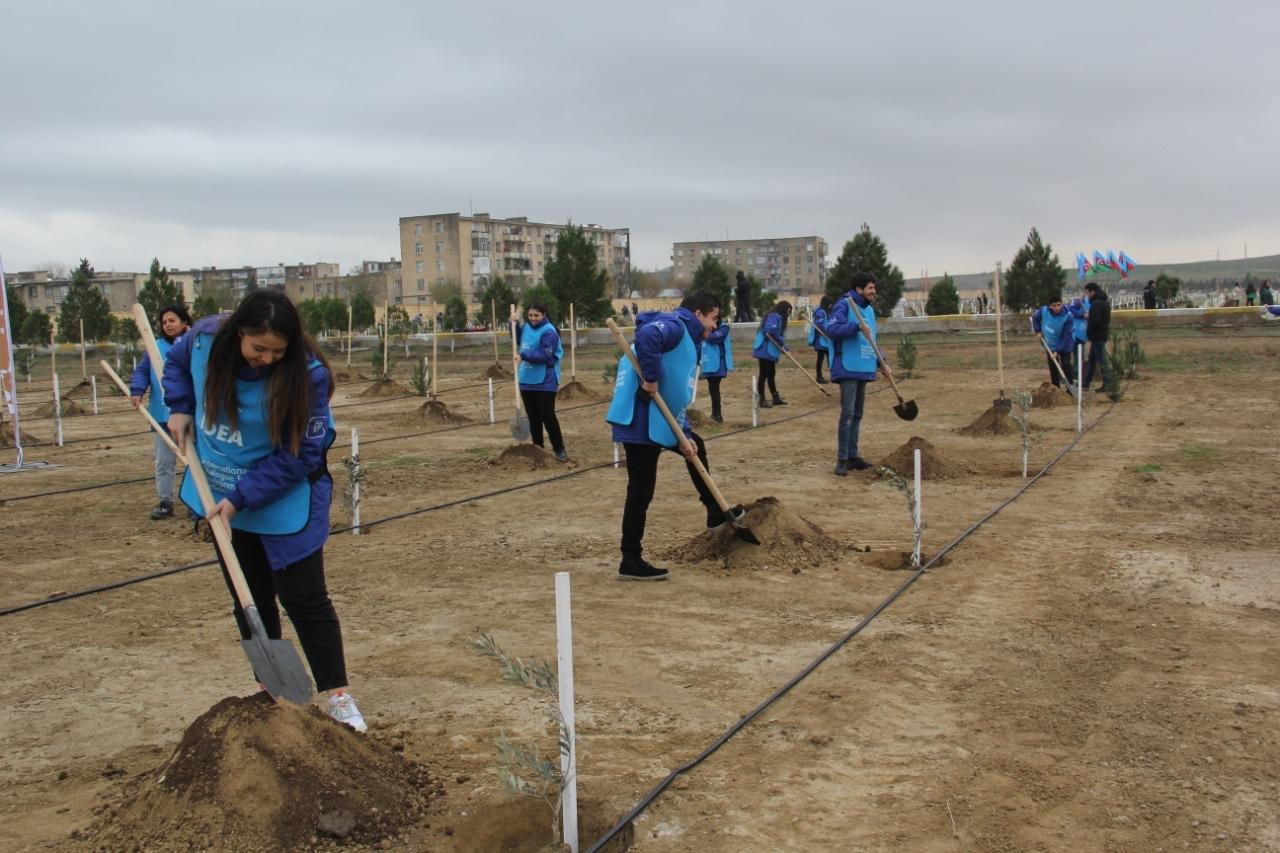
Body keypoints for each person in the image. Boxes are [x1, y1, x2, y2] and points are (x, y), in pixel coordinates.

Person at [163, 290, 367, 731]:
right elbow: (176, 364)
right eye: (259, 349)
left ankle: (339, 695)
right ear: (239, 333)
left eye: (279, 351)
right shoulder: (202, 340)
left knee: (304, 596)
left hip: (284, 492)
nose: (269, 359)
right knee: (248, 596)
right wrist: (179, 407)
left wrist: (243, 497)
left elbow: (302, 455)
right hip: (218, 488)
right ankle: (269, 686)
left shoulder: (308, 376)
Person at [605, 291, 725, 581]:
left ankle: (714, 511)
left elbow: (674, 395)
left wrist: (683, 435)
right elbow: (647, 338)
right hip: (640, 421)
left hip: (659, 420)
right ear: (698, 314)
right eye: (713, 318)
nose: (715, 326)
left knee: (698, 446)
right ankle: (630, 559)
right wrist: (651, 377)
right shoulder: (674, 325)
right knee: (641, 490)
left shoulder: (688, 337)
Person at [129, 304, 192, 520]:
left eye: (172, 320)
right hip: (161, 415)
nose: (167, 325)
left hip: (189, 414)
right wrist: (137, 390)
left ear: (184, 322)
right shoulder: (154, 347)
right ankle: (166, 500)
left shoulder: (194, 344)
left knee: (196, 461)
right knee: (164, 462)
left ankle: (198, 503)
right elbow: (143, 371)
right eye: (164, 322)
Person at [824, 272, 879, 476]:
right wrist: (855, 326)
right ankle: (842, 459)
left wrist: (882, 361)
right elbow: (832, 329)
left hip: (863, 365)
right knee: (847, 414)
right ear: (859, 289)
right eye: (870, 288)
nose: (874, 291)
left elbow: (871, 339)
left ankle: (854, 456)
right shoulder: (845, 305)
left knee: (857, 414)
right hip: (847, 366)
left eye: (874, 287)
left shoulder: (869, 311)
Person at [516, 302, 567, 460]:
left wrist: (523, 356)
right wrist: (514, 324)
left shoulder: (549, 332)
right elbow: (519, 340)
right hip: (526, 378)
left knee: (547, 415)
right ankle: (538, 449)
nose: (533, 318)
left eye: (536, 315)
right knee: (533, 416)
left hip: (545, 380)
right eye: (530, 315)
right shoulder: (527, 327)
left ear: (544, 315)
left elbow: (545, 355)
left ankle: (559, 450)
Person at [752, 301, 792, 408]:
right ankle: (761, 399)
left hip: (770, 350)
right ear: (785, 310)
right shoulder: (773, 316)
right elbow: (770, 330)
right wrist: (782, 344)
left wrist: (785, 347)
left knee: (771, 373)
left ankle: (775, 397)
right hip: (765, 349)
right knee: (763, 374)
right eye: (789, 312)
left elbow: (778, 334)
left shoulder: (776, 316)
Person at [1031, 293, 1075, 387]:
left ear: (1062, 304)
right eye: (1054, 305)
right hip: (1050, 343)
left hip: (1065, 344)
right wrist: (1038, 330)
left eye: (1059, 305)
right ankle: (1055, 387)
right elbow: (1035, 318)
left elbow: (1065, 336)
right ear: (1050, 306)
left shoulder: (1068, 317)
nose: (1057, 307)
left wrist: (1057, 351)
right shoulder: (1043, 311)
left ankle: (1070, 387)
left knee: (1066, 365)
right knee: (1053, 366)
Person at [700, 314, 733, 423]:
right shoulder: (705, 328)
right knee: (712, 387)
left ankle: (717, 414)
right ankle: (716, 414)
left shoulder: (724, 328)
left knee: (714, 387)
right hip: (708, 361)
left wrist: (704, 332)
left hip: (718, 362)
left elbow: (714, 338)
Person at [1081, 282, 1113, 391]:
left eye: (1087, 293)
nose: (1087, 295)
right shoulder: (1104, 302)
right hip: (1101, 334)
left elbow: (1095, 321)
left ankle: (1108, 383)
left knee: (1102, 360)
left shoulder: (1096, 304)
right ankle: (1086, 383)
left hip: (1097, 336)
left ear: (1092, 291)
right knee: (1092, 360)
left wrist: (1089, 329)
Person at [808, 295, 834, 384]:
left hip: (827, 340)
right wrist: (826, 333)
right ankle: (819, 376)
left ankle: (833, 375)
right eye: (830, 304)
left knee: (830, 356)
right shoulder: (821, 312)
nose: (831, 306)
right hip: (821, 340)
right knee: (821, 357)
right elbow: (819, 324)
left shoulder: (827, 312)